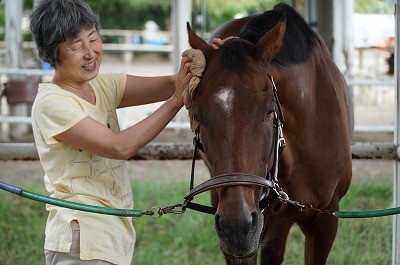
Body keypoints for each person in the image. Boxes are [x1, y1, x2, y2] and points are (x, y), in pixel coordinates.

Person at [29, 0, 211, 264]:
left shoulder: (103, 86)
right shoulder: (52, 102)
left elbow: (174, 81)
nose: (90, 53)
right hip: (80, 237)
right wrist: (176, 101)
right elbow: (119, 147)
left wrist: (210, 55)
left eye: (93, 39)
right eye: (76, 46)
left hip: (111, 235)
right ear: (52, 53)